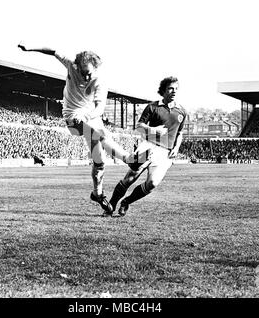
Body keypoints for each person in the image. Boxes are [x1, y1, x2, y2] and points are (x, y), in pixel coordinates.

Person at [18, 44, 133, 213]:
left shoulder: (100, 81)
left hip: (91, 117)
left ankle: (98, 194)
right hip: (72, 116)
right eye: (84, 73)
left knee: (99, 161)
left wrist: (88, 116)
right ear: (77, 66)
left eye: (90, 73)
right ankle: (128, 159)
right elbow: (52, 51)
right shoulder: (71, 65)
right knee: (98, 135)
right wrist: (29, 49)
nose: (87, 77)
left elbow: (100, 108)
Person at [104, 76, 187, 217]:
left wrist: (176, 148)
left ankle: (126, 202)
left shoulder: (182, 111)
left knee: (152, 183)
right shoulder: (152, 107)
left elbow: (180, 133)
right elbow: (139, 127)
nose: (174, 91)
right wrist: (154, 130)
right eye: (171, 88)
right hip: (147, 146)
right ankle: (110, 207)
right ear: (164, 90)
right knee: (130, 178)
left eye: (176, 89)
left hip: (165, 153)